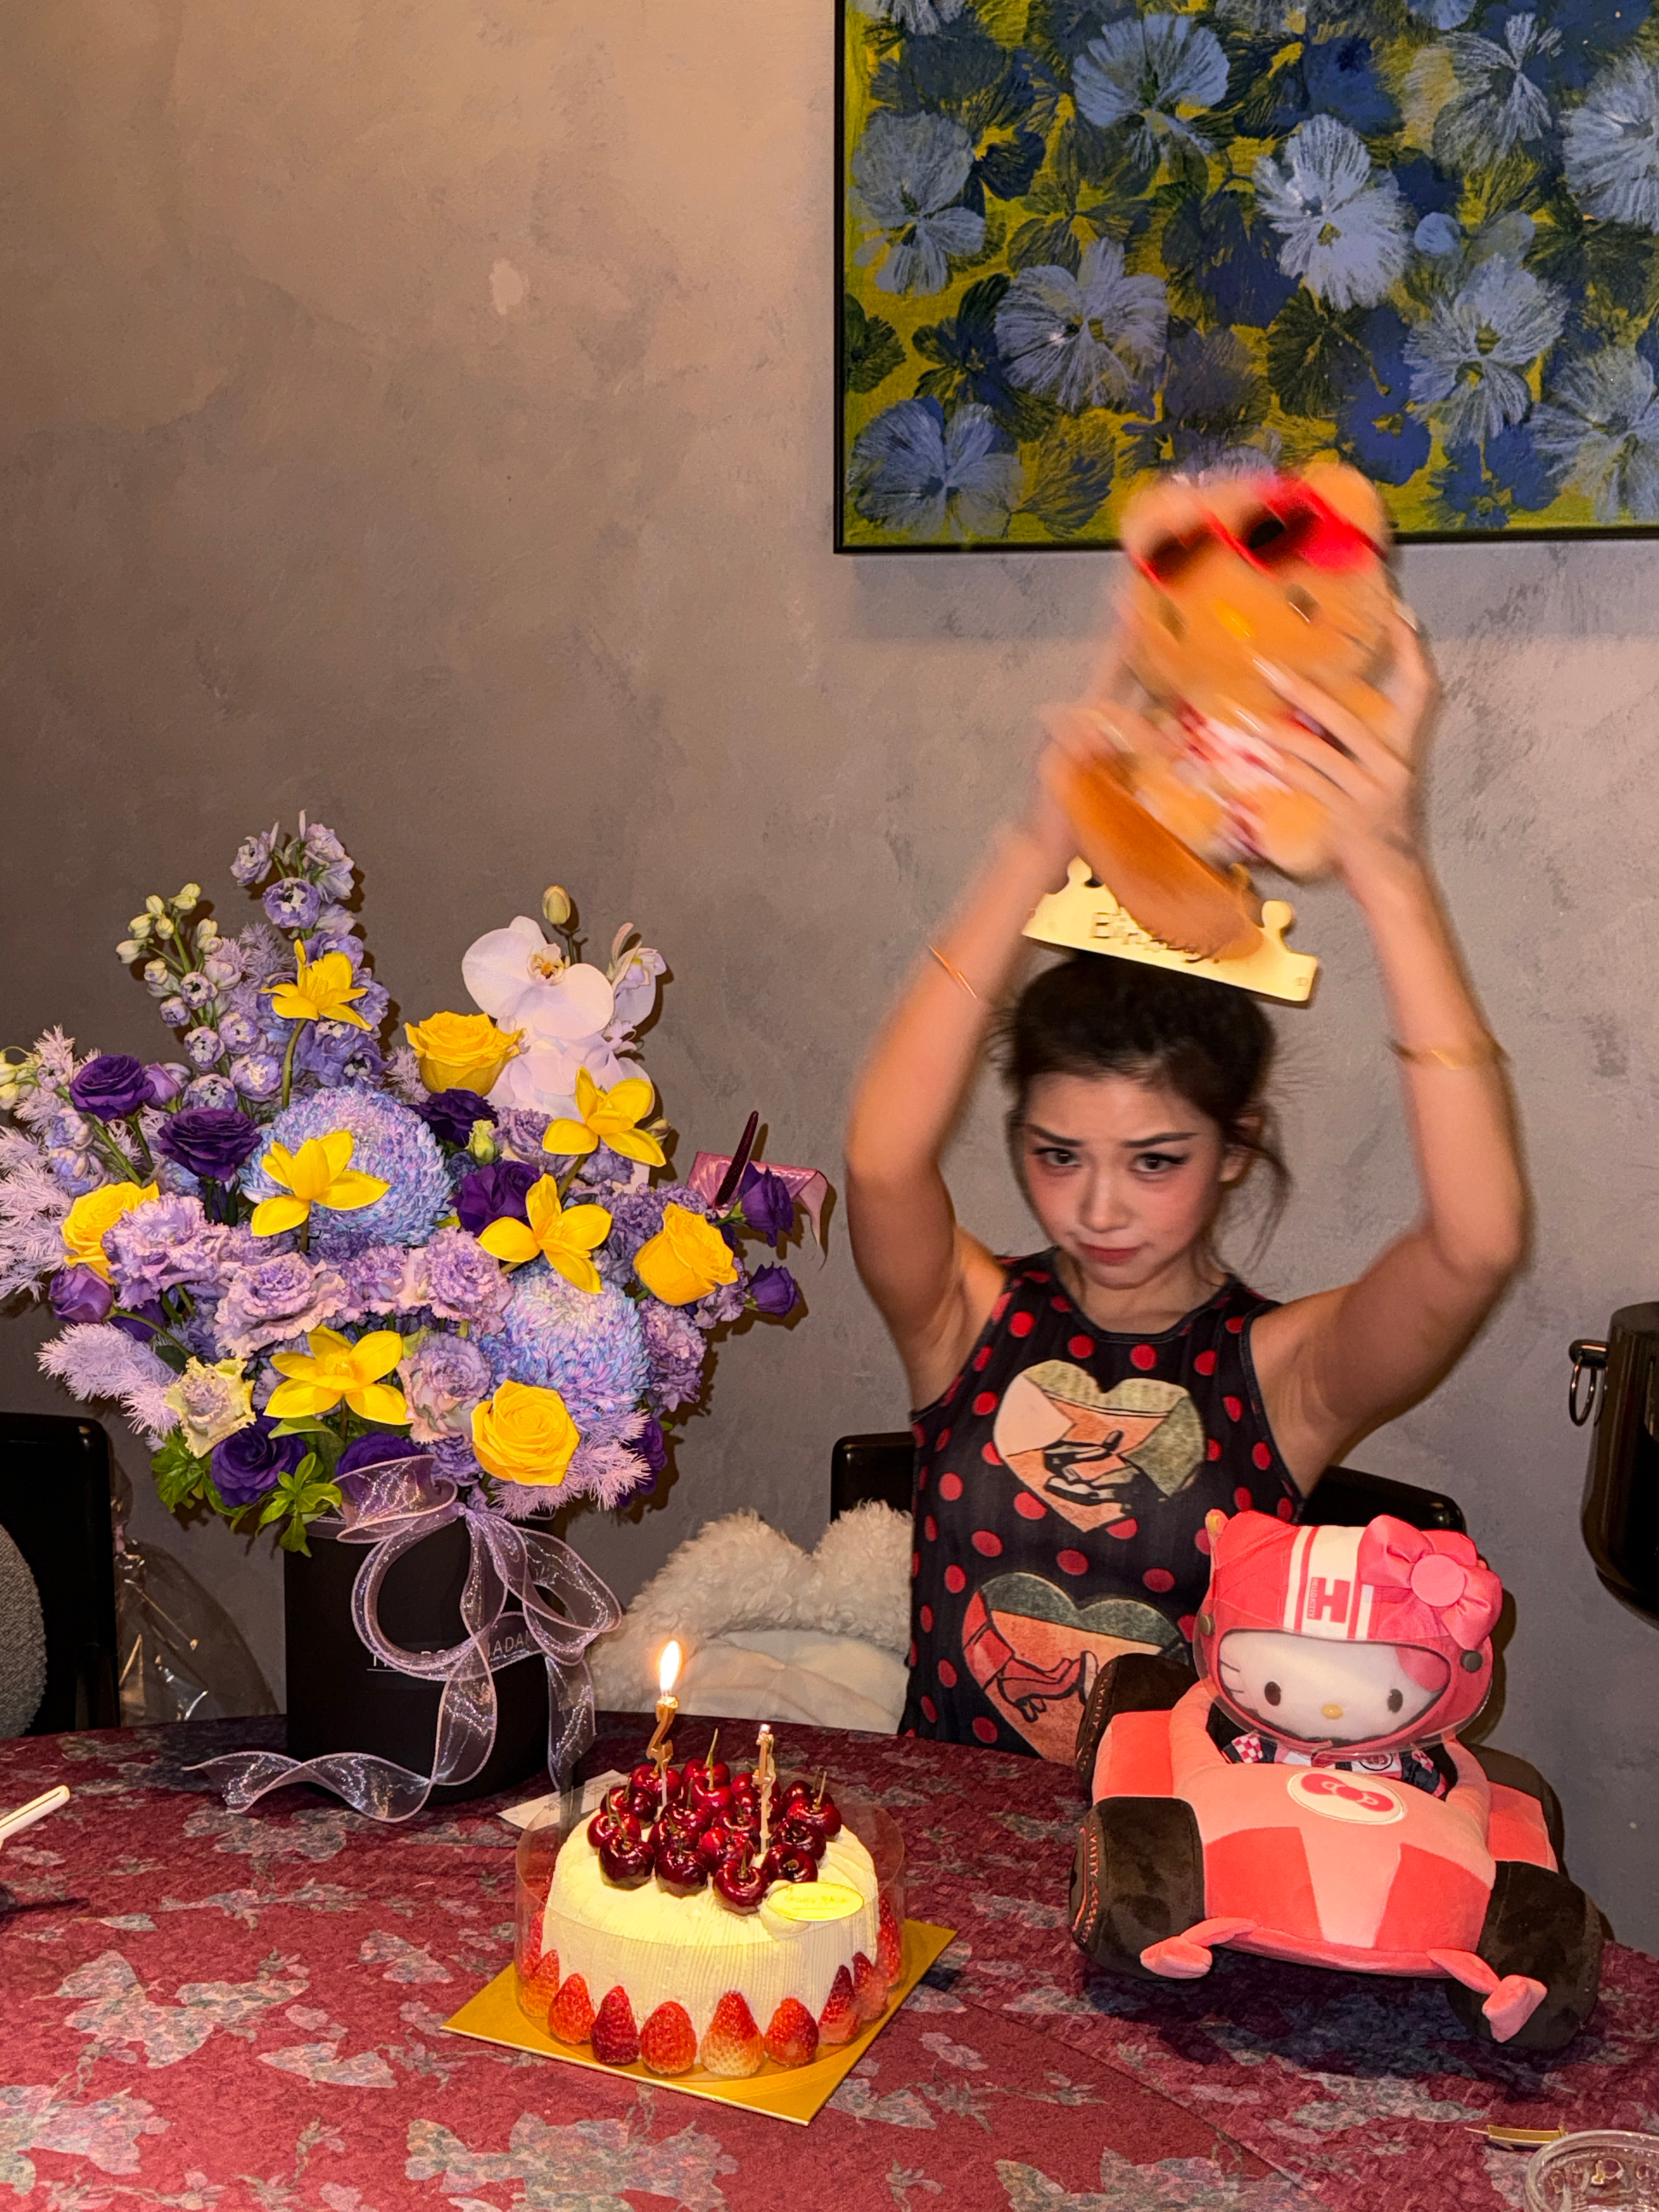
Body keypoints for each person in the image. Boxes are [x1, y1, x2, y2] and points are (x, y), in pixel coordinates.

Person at [844, 608, 1525, 1759]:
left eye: (1154, 1161)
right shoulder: (965, 1322)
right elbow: (879, 1159)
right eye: (1058, 1154)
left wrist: (1391, 873)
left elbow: (1477, 1244)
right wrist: (1037, 839)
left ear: (1236, 1148)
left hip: (1176, 1849)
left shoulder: (1288, 1374)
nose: (1097, 1209)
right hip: (945, 1830)